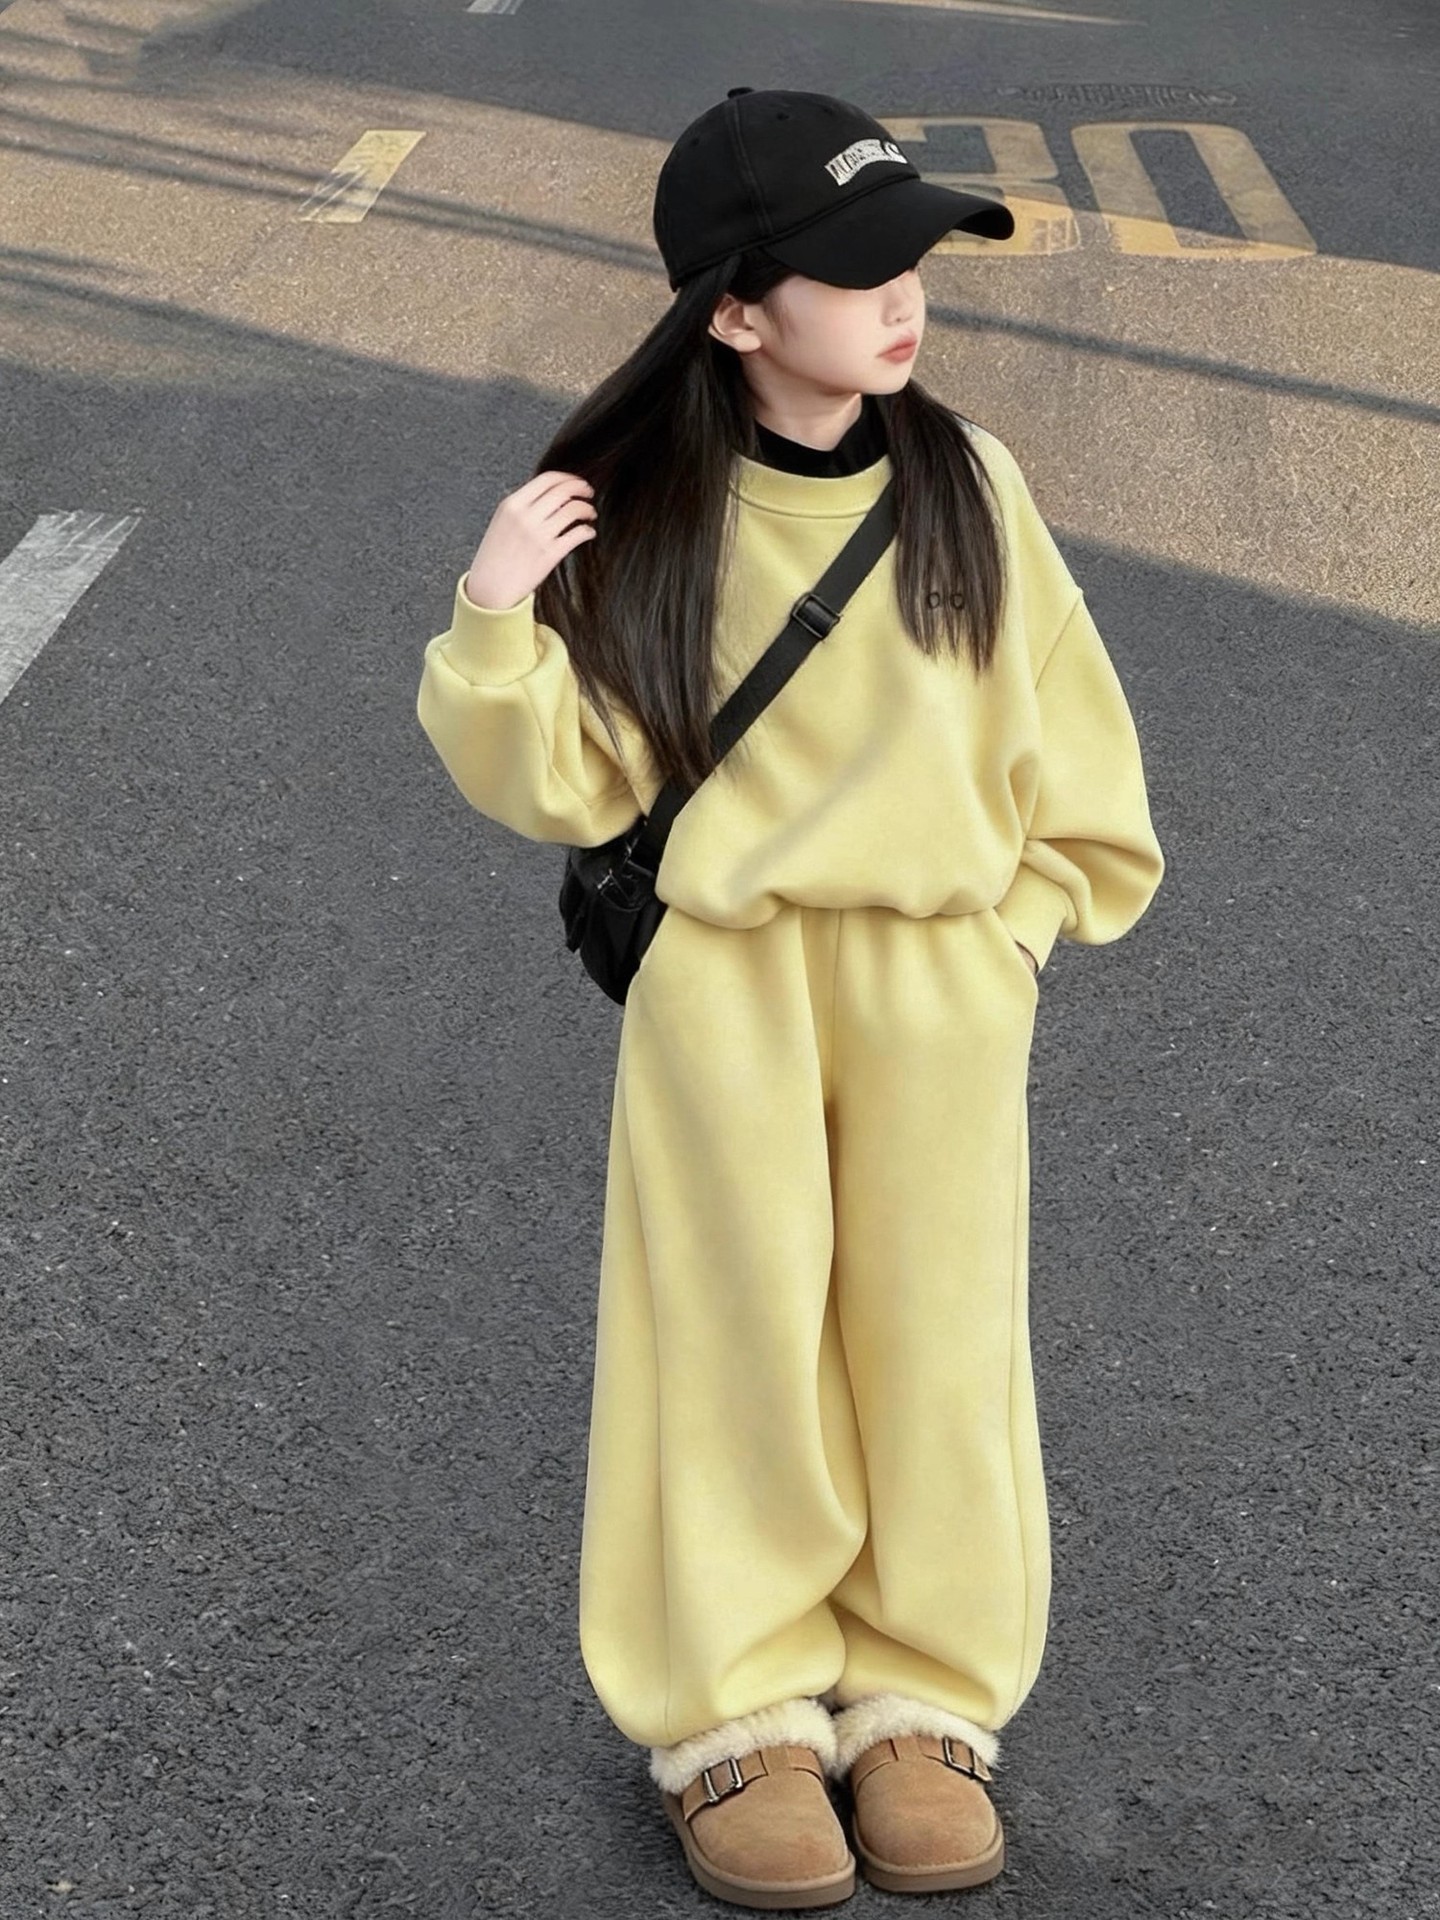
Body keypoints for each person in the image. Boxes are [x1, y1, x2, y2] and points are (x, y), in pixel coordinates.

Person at [416, 87, 1164, 1910]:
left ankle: (924, 1699)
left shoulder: (970, 485)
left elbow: (1076, 749)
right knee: (730, 1341)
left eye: (913, 255)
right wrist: (496, 617)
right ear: (737, 311)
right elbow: (574, 778)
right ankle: (734, 1714)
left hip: (937, 984)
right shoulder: (659, 512)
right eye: (856, 266)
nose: (903, 293)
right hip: (728, 987)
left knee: (937, 1341)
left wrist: (1015, 937)